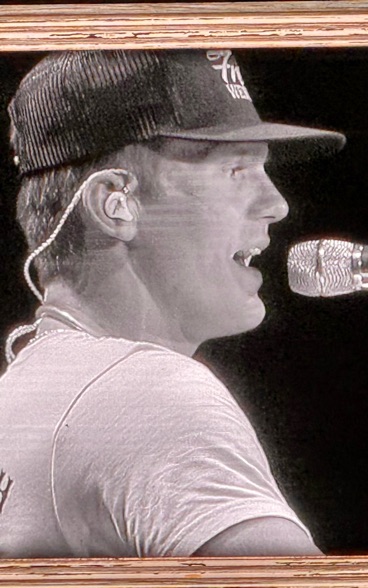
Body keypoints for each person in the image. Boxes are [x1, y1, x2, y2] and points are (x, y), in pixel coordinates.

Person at [0, 50, 345, 558]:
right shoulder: (143, 396)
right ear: (115, 204)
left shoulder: (24, 396)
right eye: (235, 169)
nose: (277, 204)